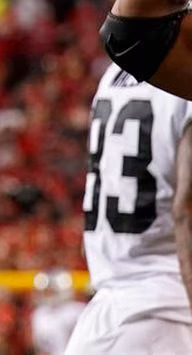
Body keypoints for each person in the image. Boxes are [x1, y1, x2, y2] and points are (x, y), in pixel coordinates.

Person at [63, 62, 192, 353]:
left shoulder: (117, 72)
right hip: (170, 314)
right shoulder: (185, 81)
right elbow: (187, 212)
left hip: (109, 315)